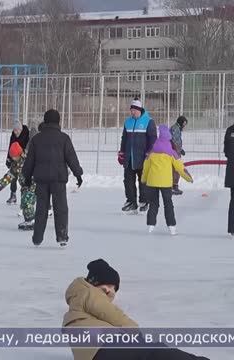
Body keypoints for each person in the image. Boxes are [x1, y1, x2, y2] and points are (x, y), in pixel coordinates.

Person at [63, 259, 210, 360]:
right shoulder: (90, 292)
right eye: (110, 287)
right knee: (157, 351)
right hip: (106, 345)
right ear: (97, 282)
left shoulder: (76, 305)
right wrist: (134, 332)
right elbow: (114, 315)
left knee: (155, 351)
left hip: (96, 354)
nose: (110, 292)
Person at [22, 109, 83, 247]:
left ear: (45, 121)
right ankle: (62, 236)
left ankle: (37, 238)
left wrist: (26, 177)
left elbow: (29, 160)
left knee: (41, 209)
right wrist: (78, 174)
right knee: (60, 208)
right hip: (58, 179)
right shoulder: (64, 138)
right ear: (58, 121)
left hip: (41, 179)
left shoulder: (36, 139)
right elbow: (71, 158)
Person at [141, 125, 193, 236]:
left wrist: (144, 179)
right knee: (168, 204)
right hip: (165, 183)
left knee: (153, 204)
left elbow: (146, 167)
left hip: (152, 182)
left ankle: (150, 226)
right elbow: (180, 168)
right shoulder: (171, 152)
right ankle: (172, 227)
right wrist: (188, 178)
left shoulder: (152, 151)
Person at [118, 98, 157, 214]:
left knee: (143, 181)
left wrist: (150, 153)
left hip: (143, 158)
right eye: (131, 110)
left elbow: (153, 140)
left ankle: (144, 201)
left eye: (135, 110)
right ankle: (131, 202)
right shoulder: (127, 122)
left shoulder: (149, 121)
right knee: (128, 181)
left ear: (140, 110)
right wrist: (122, 152)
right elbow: (124, 138)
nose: (132, 112)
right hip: (129, 158)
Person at [0, 142, 36, 230]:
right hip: (25, 187)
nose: (13, 158)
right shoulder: (15, 164)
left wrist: (33, 186)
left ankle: (32, 221)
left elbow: (36, 172)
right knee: (24, 203)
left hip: (33, 185)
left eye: (14, 156)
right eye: (12, 156)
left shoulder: (28, 160)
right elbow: (9, 176)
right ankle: (28, 220)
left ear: (19, 154)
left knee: (27, 201)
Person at [5, 121, 30, 205]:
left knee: (24, 179)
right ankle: (13, 195)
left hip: (24, 159)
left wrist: (25, 154)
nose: (15, 132)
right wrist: (8, 159)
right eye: (14, 130)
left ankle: (26, 198)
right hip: (15, 158)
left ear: (21, 129)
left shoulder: (27, 134)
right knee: (13, 176)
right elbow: (10, 146)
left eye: (17, 130)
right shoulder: (13, 135)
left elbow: (29, 146)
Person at [170, 116, 188, 195]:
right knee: (176, 169)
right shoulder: (175, 128)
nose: (184, 126)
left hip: (176, 151)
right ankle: (173, 187)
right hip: (174, 152)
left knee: (176, 169)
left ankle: (174, 186)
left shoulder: (177, 128)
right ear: (180, 122)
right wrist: (180, 150)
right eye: (184, 123)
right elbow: (174, 141)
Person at [224, 122, 234, 236]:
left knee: (233, 200)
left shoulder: (229, 130)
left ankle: (232, 228)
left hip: (231, 170)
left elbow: (226, 151)